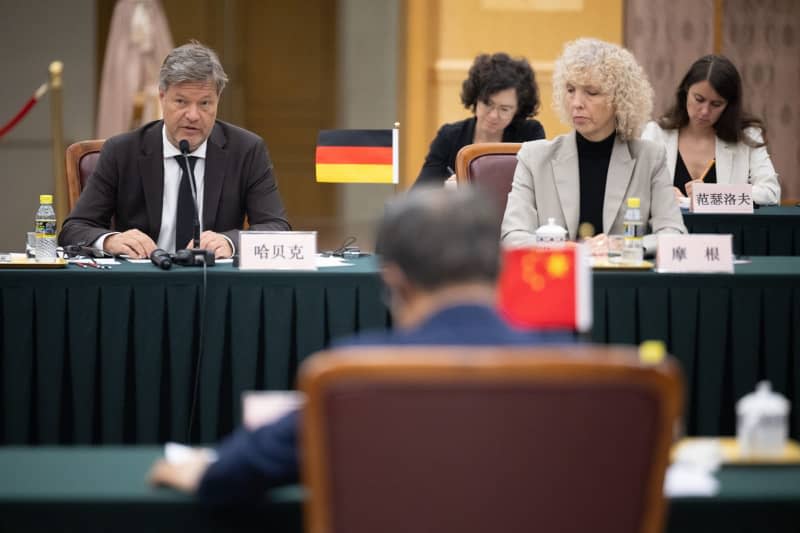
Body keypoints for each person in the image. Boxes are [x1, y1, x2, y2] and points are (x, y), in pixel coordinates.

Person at [149, 187, 572, 503]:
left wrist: (203, 472)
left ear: (394, 281)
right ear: (500, 270)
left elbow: (236, 471)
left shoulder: (353, 376)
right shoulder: (575, 370)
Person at [58, 41, 290, 259]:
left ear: (218, 100)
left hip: (213, 285)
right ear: (162, 97)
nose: (192, 115)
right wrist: (109, 240)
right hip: (142, 285)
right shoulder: (122, 151)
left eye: (205, 103)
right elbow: (74, 229)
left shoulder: (246, 150)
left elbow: (277, 229)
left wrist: (230, 243)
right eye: (181, 102)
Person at [501, 38, 685, 255]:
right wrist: (570, 249)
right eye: (570, 90)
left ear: (620, 99)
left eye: (591, 92)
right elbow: (513, 237)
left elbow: (674, 233)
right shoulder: (534, 157)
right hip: (558, 278)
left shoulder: (649, 157)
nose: (576, 103)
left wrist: (625, 246)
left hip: (621, 282)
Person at [641, 55, 781, 205]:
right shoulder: (655, 133)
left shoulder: (747, 136)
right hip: (667, 227)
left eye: (716, 104)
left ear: (728, 105)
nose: (704, 112)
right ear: (685, 92)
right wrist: (658, 194)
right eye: (699, 99)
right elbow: (630, 189)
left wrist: (712, 195)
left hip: (726, 228)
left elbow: (771, 193)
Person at [413, 52, 545, 188]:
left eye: (504, 109)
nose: (493, 115)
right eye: (487, 104)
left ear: (518, 109)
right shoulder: (450, 136)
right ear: (475, 99)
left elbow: (540, 187)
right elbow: (420, 192)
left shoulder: (530, 135)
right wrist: (446, 190)